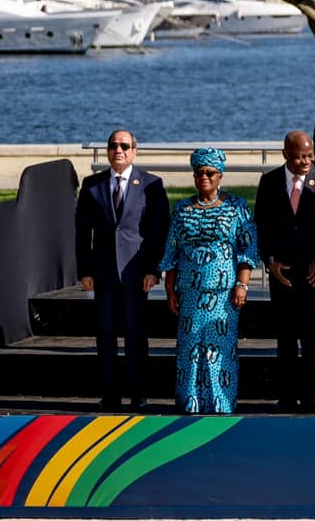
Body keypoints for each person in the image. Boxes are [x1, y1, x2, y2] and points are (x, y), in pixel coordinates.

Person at [156, 148, 259, 414]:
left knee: (219, 352)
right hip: (190, 292)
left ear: (220, 175)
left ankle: (220, 405)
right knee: (190, 350)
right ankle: (190, 404)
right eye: (199, 172)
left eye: (210, 172)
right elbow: (172, 250)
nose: (204, 177)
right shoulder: (182, 207)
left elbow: (248, 248)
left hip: (223, 294)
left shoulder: (236, 206)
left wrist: (242, 284)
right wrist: (169, 289)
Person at [76, 128, 168, 410]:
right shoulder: (92, 185)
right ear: (107, 150)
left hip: (136, 273)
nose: (119, 150)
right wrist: (84, 271)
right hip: (102, 273)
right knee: (105, 334)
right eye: (114, 145)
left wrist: (154, 270)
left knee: (135, 333)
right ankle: (110, 394)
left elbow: (158, 231)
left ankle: (138, 393)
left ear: (134, 151)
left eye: (125, 146)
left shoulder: (151, 184)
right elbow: (82, 232)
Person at [254, 131, 315, 411]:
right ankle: (287, 395)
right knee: (285, 336)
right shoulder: (269, 182)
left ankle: (311, 395)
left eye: (310, 155)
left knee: (311, 336)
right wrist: (270, 261)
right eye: (300, 156)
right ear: (286, 155)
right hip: (282, 273)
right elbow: (261, 226)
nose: (307, 161)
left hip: (312, 274)